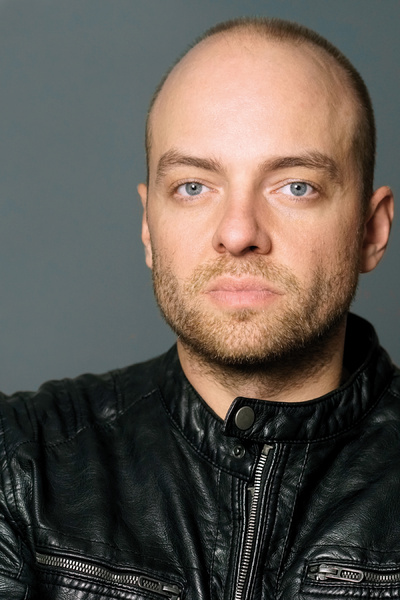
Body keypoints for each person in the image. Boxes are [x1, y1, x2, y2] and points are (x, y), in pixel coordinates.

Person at [0, 15, 398, 600]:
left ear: (371, 230)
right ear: (148, 226)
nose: (237, 233)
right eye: (193, 186)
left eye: (296, 186)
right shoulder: (20, 463)